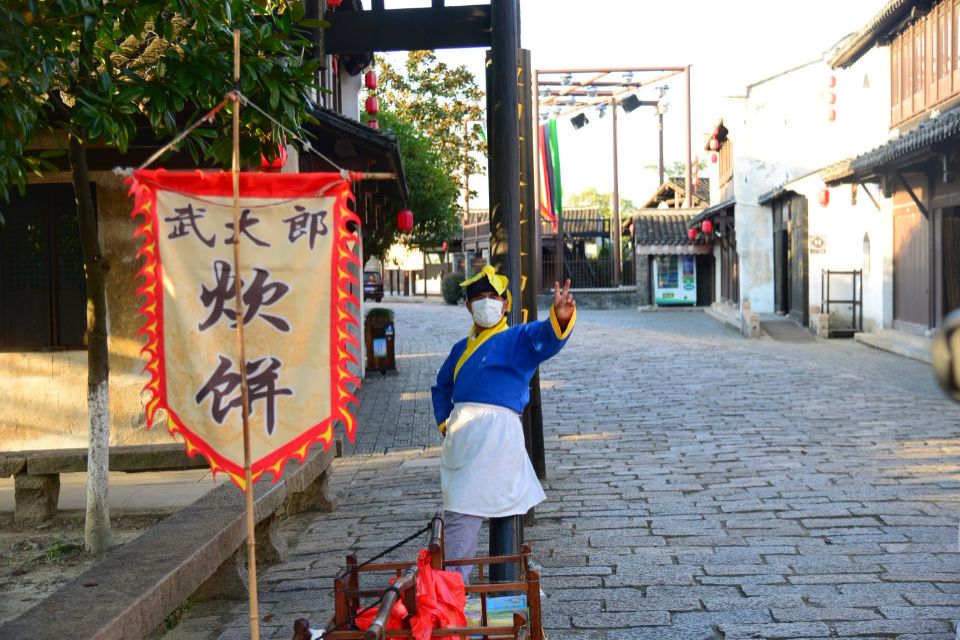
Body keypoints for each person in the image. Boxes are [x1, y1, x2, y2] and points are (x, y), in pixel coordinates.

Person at [431, 265, 576, 583]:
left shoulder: (516, 339)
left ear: (506, 303)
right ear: (469, 306)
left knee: (506, 512)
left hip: (499, 440)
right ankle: (452, 592)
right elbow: (441, 388)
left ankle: (506, 586)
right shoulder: (459, 350)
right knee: (460, 516)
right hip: (463, 443)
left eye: (493, 296)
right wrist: (446, 424)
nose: (486, 303)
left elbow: (544, 338)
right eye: (478, 297)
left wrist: (560, 318)